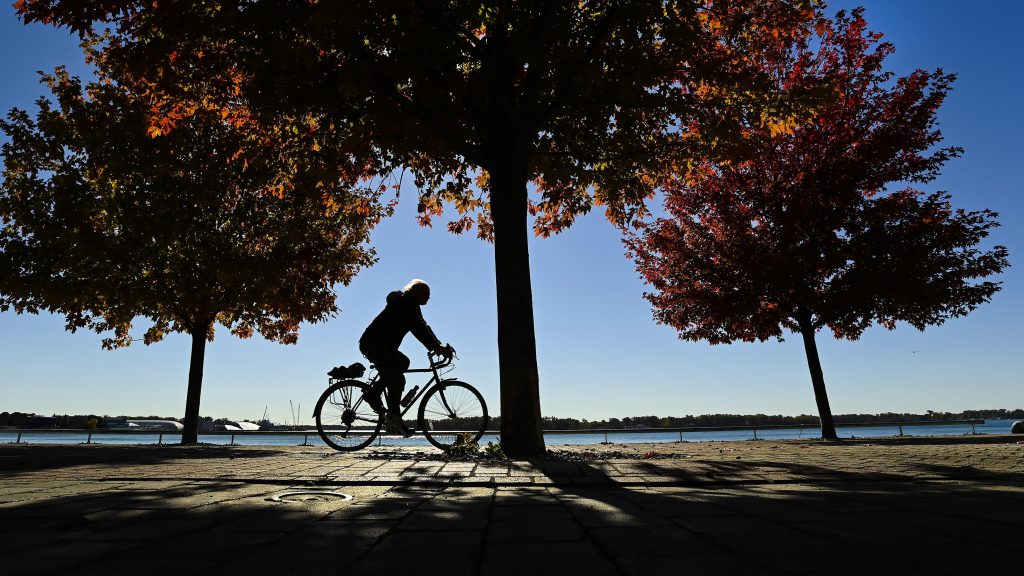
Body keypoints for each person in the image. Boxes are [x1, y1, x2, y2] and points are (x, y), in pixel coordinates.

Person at [359, 279, 453, 435]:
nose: (428, 297)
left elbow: (423, 325)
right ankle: (374, 396)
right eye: (426, 294)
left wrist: (437, 345)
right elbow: (418, 327)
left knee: (396, 378)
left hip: (379, 345)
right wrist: (436, 347)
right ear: (415, 292)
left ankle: (394, 420)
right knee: (402, 362)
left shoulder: (410, 304)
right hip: (373, 344)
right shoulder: (406, 304)